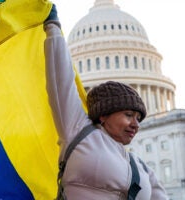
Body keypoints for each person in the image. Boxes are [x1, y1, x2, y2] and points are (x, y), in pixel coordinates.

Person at [43, 6, 168, 200]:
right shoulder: (78, 132)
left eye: (138, 118)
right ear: (103, 114)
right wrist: (53, 28)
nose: (135, 124)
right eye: (128, 115)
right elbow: (61, 82)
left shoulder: (142, 168)